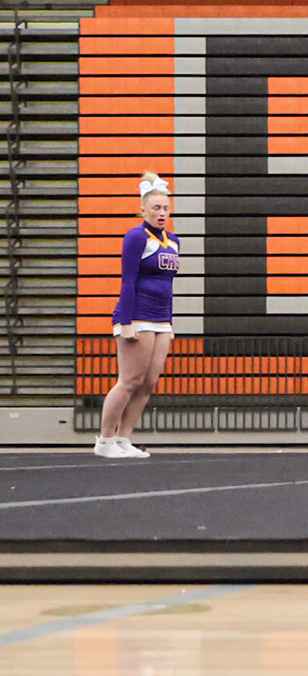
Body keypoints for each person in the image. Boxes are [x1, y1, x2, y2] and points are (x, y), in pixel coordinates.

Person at [97, 172, 179, 460]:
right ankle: (105, 439)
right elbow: (127, 281)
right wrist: (126, 323)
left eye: (165, 208)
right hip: (137, 316)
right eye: (155, 208)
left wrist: (168, 323)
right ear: (142, 210)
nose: (161, 213)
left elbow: (168, 286)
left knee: (148, 382)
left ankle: (124, 438)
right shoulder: (135, 236)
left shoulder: (173, 240)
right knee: (129, 380)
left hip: (160, 319)